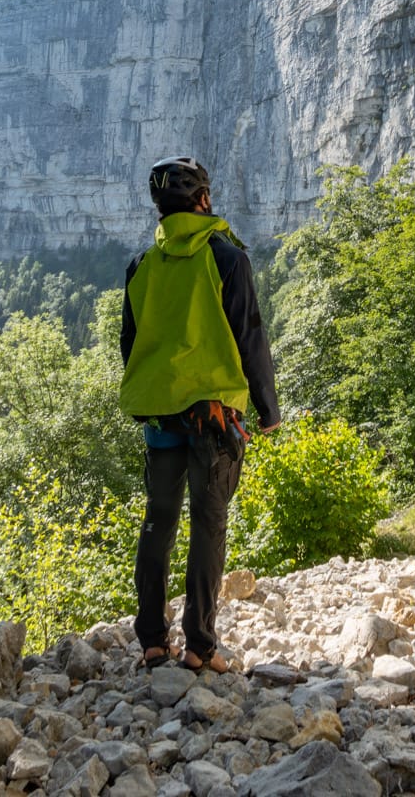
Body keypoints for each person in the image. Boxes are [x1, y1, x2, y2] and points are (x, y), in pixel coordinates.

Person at [119, 155, 280, 674]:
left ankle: (149, 640)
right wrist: (268, 410)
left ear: (160, 208)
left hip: (161, 416)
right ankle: (199, 646)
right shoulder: (227, 258)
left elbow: (130, 343)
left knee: (158, 522)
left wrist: (157, 388)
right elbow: (249, 337)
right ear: (203, 201)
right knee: (207, 526)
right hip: (214, 417)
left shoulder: (141, 266)